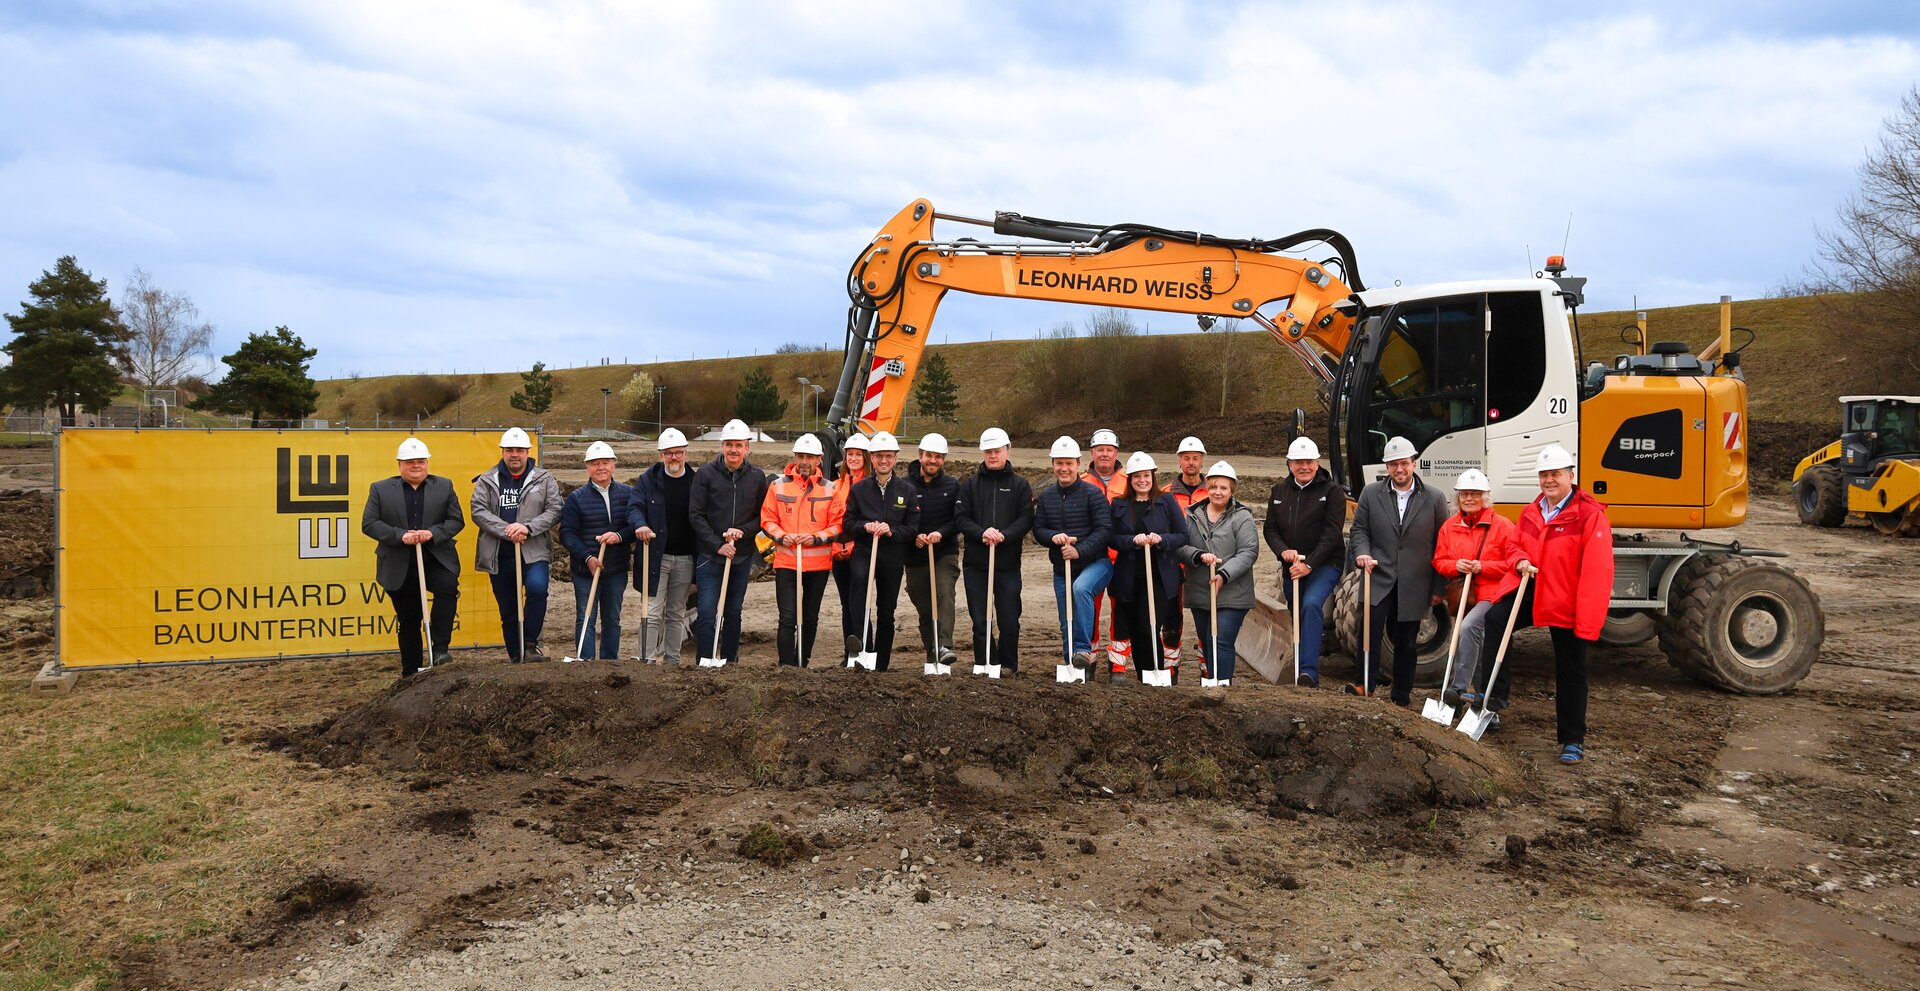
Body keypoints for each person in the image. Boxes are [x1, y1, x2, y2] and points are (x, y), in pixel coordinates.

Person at [1474, 444, 1614, 765]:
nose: (1549, 480)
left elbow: (1598, 571)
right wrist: (1521, 559)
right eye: (1544, 475)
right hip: (1533, 588)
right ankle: (1494, 698)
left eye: (1555, 474)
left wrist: (1588, 621)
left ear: (1570, 476)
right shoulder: (1532, 511)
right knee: (1496, 618)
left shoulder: (1589, 515)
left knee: (1571, 669)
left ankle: (1572, 740)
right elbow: (1513, 545)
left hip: (1567, 598)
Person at [1348, 435, 1448, 703]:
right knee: (1368, 630)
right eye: (1393, 465)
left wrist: (1439, 587)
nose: (1399, 469)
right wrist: (1363, 553)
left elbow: (1443, 545)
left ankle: (1401, 695)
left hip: (1415, 582)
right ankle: (1363, 685)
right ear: (1387, 467)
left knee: (1407, 640)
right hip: (1377, 577)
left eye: (1404, 463)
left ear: (1414, 463)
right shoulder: (1371, 493)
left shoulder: (1435, 498)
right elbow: (1360, 530)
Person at [360, 437, 464, 678]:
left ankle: (439, 650)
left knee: (447, 588)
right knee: (409, 618)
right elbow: (369, 524)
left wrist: (433, 533)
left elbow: (456, 520)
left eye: (420, 461)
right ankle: (411, 672)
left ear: (427, 463)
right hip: (399, 562)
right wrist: (400, 536)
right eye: (409, 462)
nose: (415, 466)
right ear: (399, 465)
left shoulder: (444, 486)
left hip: (436, 557)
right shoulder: (380, 489)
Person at [470, 427, 561, 661]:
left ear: (528, 452)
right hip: (499, 554)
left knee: (538, 590)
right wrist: (507, 530)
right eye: (509, 450)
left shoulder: (544, 479)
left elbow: (554, 510)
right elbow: (478, 510)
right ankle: (516, 656)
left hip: (533, 551)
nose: (514, 454)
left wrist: (527, 528)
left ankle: (530, 644)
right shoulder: (487, 480)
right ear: (502, 452)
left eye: (519, 450)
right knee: (509, 609)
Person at [1263, 436, 1347, 688]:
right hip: (1292, 565)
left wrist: (1309, 564)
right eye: (1298, 462)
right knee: (1297, 611)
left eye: (1309, 462)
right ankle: (1301, 660)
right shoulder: (1279, 492)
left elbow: (1332, 534)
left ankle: (1308, 674)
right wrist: (1283, 552)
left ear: (1317, 463)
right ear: (1289, 464)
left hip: (1325, 564)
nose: (1304, 467)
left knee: (1311, 605)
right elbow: (1270, 529)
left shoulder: (1332, 492)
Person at [1431, 469, 1516, 706]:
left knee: (1467, 629)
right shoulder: (1450, 526)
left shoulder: (1503, 527)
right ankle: (1483, 700)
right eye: (1464, 494)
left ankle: (1457, 689)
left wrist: (1483, 567)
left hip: (1493, 594)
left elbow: (1513, 564)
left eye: (1475, 494)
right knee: (1479, 644)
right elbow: (1439, 561)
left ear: (1485, 497)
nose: (1469, 498)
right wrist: (1456, 565)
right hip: (1463, 595)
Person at [955, 426, 1034, 673]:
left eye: (997, 451)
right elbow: (961, 518)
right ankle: (985, 662)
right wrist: (981, 532)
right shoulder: (969, 485)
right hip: (976, 564)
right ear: (982, 453)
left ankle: (1008, 664)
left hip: (1008, 564)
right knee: (980, 620)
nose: (992, 455)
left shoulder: (1020, 485)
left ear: (1007, 451)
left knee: (1009, 620)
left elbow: (1026, 519)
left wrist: (1005, 535)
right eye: (988, 451)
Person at [760, 434, 843, 667]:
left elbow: (838, 525)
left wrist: (816, 538)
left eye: (809, 457)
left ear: (819, 459)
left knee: (809, 618)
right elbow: (768, 520)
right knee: (787, 618)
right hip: (787, 562)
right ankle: (786, 665)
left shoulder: (830, 489)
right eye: (800, 456)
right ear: (794, 458)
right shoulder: (777, 486)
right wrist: (782, 536)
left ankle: (803, 661)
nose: (804, 461)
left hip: (817, 566)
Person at [689, 419, 768, 664]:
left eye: (738, 445)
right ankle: (705, 661)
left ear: (747, 447)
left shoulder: (757, 477)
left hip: (741, 557)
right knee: (707, 613)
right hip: (711, 557)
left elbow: (762, 516)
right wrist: (717, 544)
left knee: (733, 612)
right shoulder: (705, 474)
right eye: (729, 445)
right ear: (722, 446)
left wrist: (743, 531)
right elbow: (696, 514)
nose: (733, 450)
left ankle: (730, 661)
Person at [842, 431, 920, 670]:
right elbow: (848, 523)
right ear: (872, 459)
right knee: (859, 602)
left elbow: (912, 528)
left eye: (888, 456)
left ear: (895, 458)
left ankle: (881, 662)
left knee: (886, 611)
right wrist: (865, 526)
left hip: (892, 556)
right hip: (864, 551)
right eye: (878, 456)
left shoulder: (906, 490)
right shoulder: (859, 489)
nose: (883, 461)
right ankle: (860, 650)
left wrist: (892, 531)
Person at [1176, 461, 1260, 685]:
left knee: (1221, 638)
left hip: (1233, 593)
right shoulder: (1193, 515)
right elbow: (1180, 545)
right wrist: (1197, 555)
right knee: (1206, 639)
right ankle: (1211, 683)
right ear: (1207, 488)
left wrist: (1223, 574)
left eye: (1223, 487)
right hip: (1201, 590)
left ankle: (1222, 685)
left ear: (1232, 490)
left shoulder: (1242, 517)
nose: (1218, 492)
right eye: (1213, 487)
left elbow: (1249, 551)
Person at [1034, 436, 1113, 671]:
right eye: (1059, 463)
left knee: (1081, 589)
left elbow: (1104, 531)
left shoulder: (1092, 494)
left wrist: (1079, 551)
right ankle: (1072, 664)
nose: (1064, 468)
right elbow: (1038, 530)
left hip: (1096, 563)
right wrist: (1052, 537)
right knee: (1065, 617)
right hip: (1062, 568)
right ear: (1053, 466)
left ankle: (1082, 649)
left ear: (1078, 464)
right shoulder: (1047, 497)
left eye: (1069, 463)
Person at [1108, 452, 1188, 683]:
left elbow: (1182, 536)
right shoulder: (1119, 505)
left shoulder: (1167, 501)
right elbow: (1112, 538)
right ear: (1130, 479)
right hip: (1130, 576)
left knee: (1148, 625)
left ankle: (1157, 671)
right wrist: (1131, 541)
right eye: (1136, 477)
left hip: (1160, 577)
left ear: (1152, 476)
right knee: (1134, 628)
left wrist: (1161, 539)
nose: (1142, 480)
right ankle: (1146, 676)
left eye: (1146, 475)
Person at [559, 441, 636, 661]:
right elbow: (567, 533)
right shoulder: (576, 498)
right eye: (594, 463)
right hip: (585, 571)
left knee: (612, 618)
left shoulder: (628, 494)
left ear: (614, 465)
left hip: (616, 569)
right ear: (587, 468)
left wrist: (619, 536)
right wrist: (588, 557)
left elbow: (634, 526)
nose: (600, 467)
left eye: (605, 462)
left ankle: (609, 663)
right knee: (586, 617)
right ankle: (585, 663)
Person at [630, 427, 694, 664]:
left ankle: (672, 661)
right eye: (668, 453)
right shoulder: (649, 480)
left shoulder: (695, 481)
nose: (673, 457)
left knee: (676, 613)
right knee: (652, 612)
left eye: (677, 452)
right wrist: (640, 524)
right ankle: (645, 660)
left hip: (686, 558)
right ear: (661, 455)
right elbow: (634, 507)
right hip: (656, 556)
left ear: (685, 453)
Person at [904, 432, 961, 667]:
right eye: (929, 455)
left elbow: (959, 519)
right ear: (920, 456)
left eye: (938, 457)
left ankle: (945, 645)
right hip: (915, 555)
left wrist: (941, 533)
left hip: (944, 551)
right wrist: (913, 536)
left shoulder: (952, 485)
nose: (933, 461)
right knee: (924, 605)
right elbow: (900, 519)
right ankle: (933, 651)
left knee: (945, 592)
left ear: (943, 460)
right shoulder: (904, 486)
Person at [1155, 435, 1209, 677]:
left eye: (1195, 458)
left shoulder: (1213, 491)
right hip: (1173, 564)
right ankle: (1170, 669)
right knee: (1171, 620)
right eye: (1186, 458)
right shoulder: (1166, 494)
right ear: (1179, 461)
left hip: (1202, 565)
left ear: (1202, 461)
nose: (1191, 463)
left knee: (1204, 620)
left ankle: (1207, 669)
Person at [1080, 428, 1129, 676]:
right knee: (1090, 609)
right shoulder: (1082, 482)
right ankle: (1088, 661)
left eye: (1109, 450)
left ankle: (1118, 664)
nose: (1104, 454)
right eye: (1100, 450)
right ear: (1092, 452)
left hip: (1123, 557)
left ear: (1116, 452)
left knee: (1121, 610)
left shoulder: (1130, 481)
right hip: (1094, 557)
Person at [830, 433, 872, 653]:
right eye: (850, 455)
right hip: (838, 551)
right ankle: (851, 651)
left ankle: (867, 649)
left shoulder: (871, 486)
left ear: (866, 457)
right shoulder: (836, 486)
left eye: (858, 454)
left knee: (859, 604)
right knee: (846, 604)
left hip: (860, 550)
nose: (854, 458)